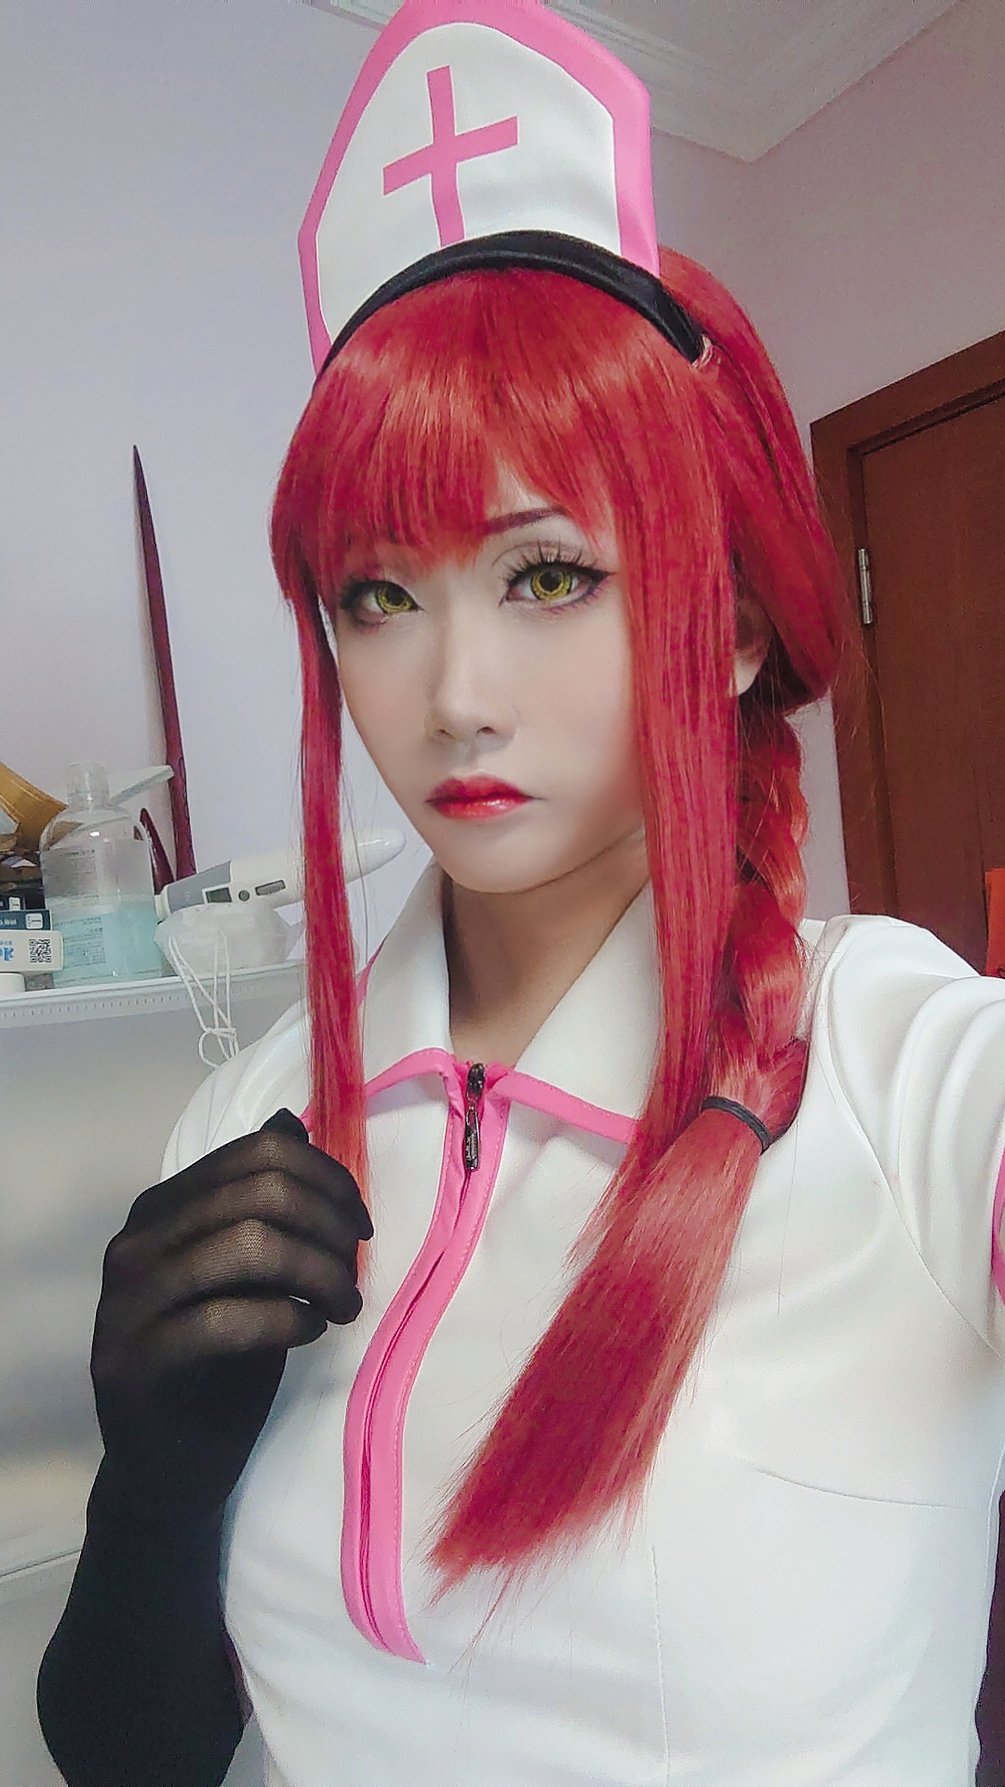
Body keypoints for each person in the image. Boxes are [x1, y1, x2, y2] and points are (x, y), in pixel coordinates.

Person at [36, 2, 1005, 1784]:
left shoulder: (898, 1066)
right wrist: (150, 1480)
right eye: (376, 595)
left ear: (727, 626)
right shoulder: (247, 1123)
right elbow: (128, 1756)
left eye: (545, 574)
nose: (451, 693)